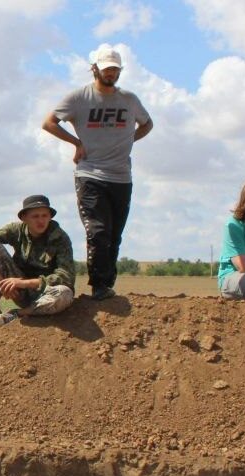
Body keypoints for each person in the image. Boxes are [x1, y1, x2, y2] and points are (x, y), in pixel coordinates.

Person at [42, 46, 152, 301]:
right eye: (106, 69)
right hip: (90, 174)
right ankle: (98, 286)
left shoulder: (129, 100)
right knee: (98, 230)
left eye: (115, 69)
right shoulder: (79, 97)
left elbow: (148, 123)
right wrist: (76, 143)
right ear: (95, 69)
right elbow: (49, 123)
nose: (111, 73)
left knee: (114, 233)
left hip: (122, 176)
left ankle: (107, 284)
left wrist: (130, 140)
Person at [0, 195, 75, 326]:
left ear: (50, 217)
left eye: (44, 216)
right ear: (24, 218)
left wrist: (23, 283)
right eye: (35, 216)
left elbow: (66, 278)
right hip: (17, 291)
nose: (41, 221)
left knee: (64, 293)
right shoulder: (16, 230)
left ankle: (18, 313)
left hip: (46, 294)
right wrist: (1, 284)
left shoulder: (61, 238)